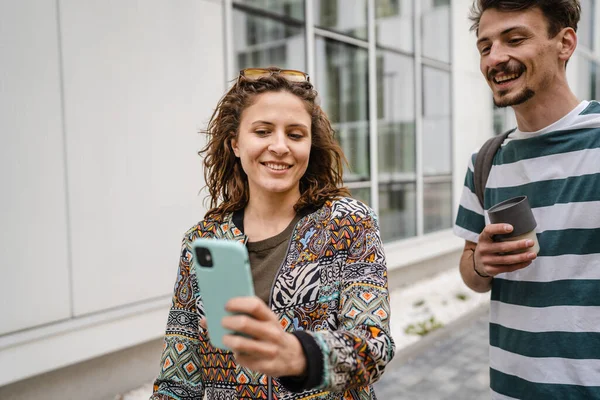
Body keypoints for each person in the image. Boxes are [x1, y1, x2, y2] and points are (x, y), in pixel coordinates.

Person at [150, 67, 395, 400]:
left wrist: (298, 354)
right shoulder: (202, 240)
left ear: (311, 145)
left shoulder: (349, 224)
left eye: (295, 134)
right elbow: (176, 380)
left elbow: (374, 348)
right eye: (263, 131)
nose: (280, 147)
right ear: (235, 143)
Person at [454, 0, 600, 398]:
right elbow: (471, 272)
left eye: (514, 39)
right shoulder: (485, 160)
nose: (495, 59)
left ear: (565, 43)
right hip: (511, 387)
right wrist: (481, 264)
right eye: (485, 47)